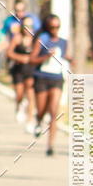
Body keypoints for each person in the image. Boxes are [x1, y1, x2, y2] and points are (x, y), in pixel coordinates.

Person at [28, 14, 73, 156]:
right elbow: (32, 59)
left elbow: (64, 55)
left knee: (54, 112)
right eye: (52, 27)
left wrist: (70, 59)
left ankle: (50, 146)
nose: (55, 29)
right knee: (41, 110)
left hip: (56, 78)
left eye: (57, 26)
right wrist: (45, 56)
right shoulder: (42, 40)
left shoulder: (63, 42)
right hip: (41, 78)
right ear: (47, 27)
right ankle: (38, 120)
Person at [6, 16, 37, 130]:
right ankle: (19, 105)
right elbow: (9, 53)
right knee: (19, 94)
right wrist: (20, 58)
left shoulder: (35, 39)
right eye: (26, 26)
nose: (29, 28)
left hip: (30, 70)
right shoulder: (17, 38)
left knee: (30, 95)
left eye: (31, 26)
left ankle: (30, 121)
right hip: (18, 70)